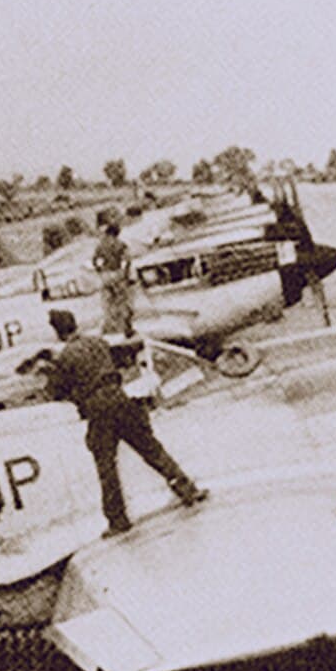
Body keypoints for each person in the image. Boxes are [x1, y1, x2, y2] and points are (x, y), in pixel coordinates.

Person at [42, 309, 206, 538]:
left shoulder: (66, 356)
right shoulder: (98, 342)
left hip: (98, 408)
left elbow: (56, 391)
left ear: (58, 331)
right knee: (150, 448)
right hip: (121, 398)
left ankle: (118, 520)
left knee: (106, 466)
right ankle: (187, 490)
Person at [91, 222, 135, 338]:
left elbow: (95, 261)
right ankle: (126, 327)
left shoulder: (101, 246)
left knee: (108, 303)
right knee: (122, 302)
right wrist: (125, 274)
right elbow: (126, 260)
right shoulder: (121, 245)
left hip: (106, 276)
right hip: (118, 274)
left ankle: (110, 327)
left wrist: (100, 271)